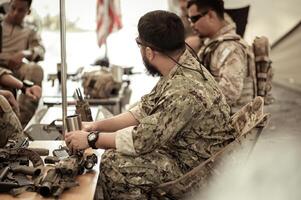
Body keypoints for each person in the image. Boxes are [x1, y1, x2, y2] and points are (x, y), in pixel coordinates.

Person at [65, 10, 237, 199]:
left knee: (114, 164)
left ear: (149, 52)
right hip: (189, 155)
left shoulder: (184, 90)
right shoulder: (182, 66)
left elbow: (142, 140)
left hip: (197, 171)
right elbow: (142, 111)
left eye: (139, 44)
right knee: (114, 152)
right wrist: (95, 126)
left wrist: (91, 139)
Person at [187, 0, 256, 112]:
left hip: (233, 123)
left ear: (210, 15)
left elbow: (230, 91)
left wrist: (194, 105)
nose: (191, 24)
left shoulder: (230, 47)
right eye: (189, 20)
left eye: (194, 19)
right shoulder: (213, 44)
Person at [0, 0, 45, 126]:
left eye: (20, 10)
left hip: (16, 68)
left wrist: (24, 53)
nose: (14, 13)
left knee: (35, 69)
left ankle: (20, 124)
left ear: (28, 12)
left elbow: (40, 50)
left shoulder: (30, 31)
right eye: (13, 8)